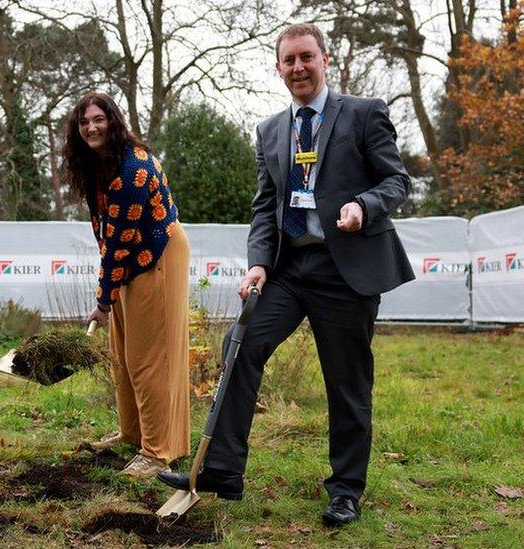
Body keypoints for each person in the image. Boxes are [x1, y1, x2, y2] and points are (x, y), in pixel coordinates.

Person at [158, 23, 415, 527]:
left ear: (325, 60)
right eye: (289, 60)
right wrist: (258, 262)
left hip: (345, 271)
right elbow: (264, 207)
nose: (298, 67)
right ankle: (223, 470)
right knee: (241, 344)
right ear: (278, 68)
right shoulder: (270, 130)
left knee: (347, 384)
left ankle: (345, 491)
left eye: (306, 58)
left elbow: (397, 180)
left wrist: (364, 206)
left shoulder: (364, 114)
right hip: (290, 268)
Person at [62, 92, 191, 479]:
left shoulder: (132, 170)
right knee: (122, 352)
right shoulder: (100, 166)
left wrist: (103, 300)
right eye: (84, 123)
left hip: (157, 257)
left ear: (113, 121)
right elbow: (109, 237)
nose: (91, 128)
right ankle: (134, 434)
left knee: (149, 357)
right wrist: (110, 295)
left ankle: (157, 451)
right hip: (130, 259)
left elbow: (118, 244)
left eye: (98, 120)